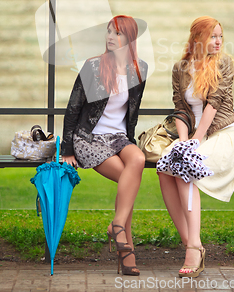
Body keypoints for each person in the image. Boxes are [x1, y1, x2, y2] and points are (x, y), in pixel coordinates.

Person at [158, 16, 234, 278]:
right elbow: (180, 109)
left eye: (221, 36)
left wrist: (195, 140)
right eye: (213, 36)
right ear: (198, 38)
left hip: (223, 135)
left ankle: (193, 249)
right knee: (164, 170)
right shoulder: (181, 68)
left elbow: (214, 104)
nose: (218, 41)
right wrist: (184, 140)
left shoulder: (224, 63)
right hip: (196, 136)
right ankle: (192, 243)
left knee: (184, 167)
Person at [61, 15, 148, 276]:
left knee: (138, 161)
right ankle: (126, 251)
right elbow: (73, 108)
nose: (111, 37)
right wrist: (67, 149)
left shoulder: (139, 69)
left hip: (119, 137)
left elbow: (131, 112)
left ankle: (117, 225)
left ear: (129, 39)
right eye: (109, 31)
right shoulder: (93, 66)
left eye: (117, 33)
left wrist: (128, 141)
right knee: (128, 180)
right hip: (89, 136)